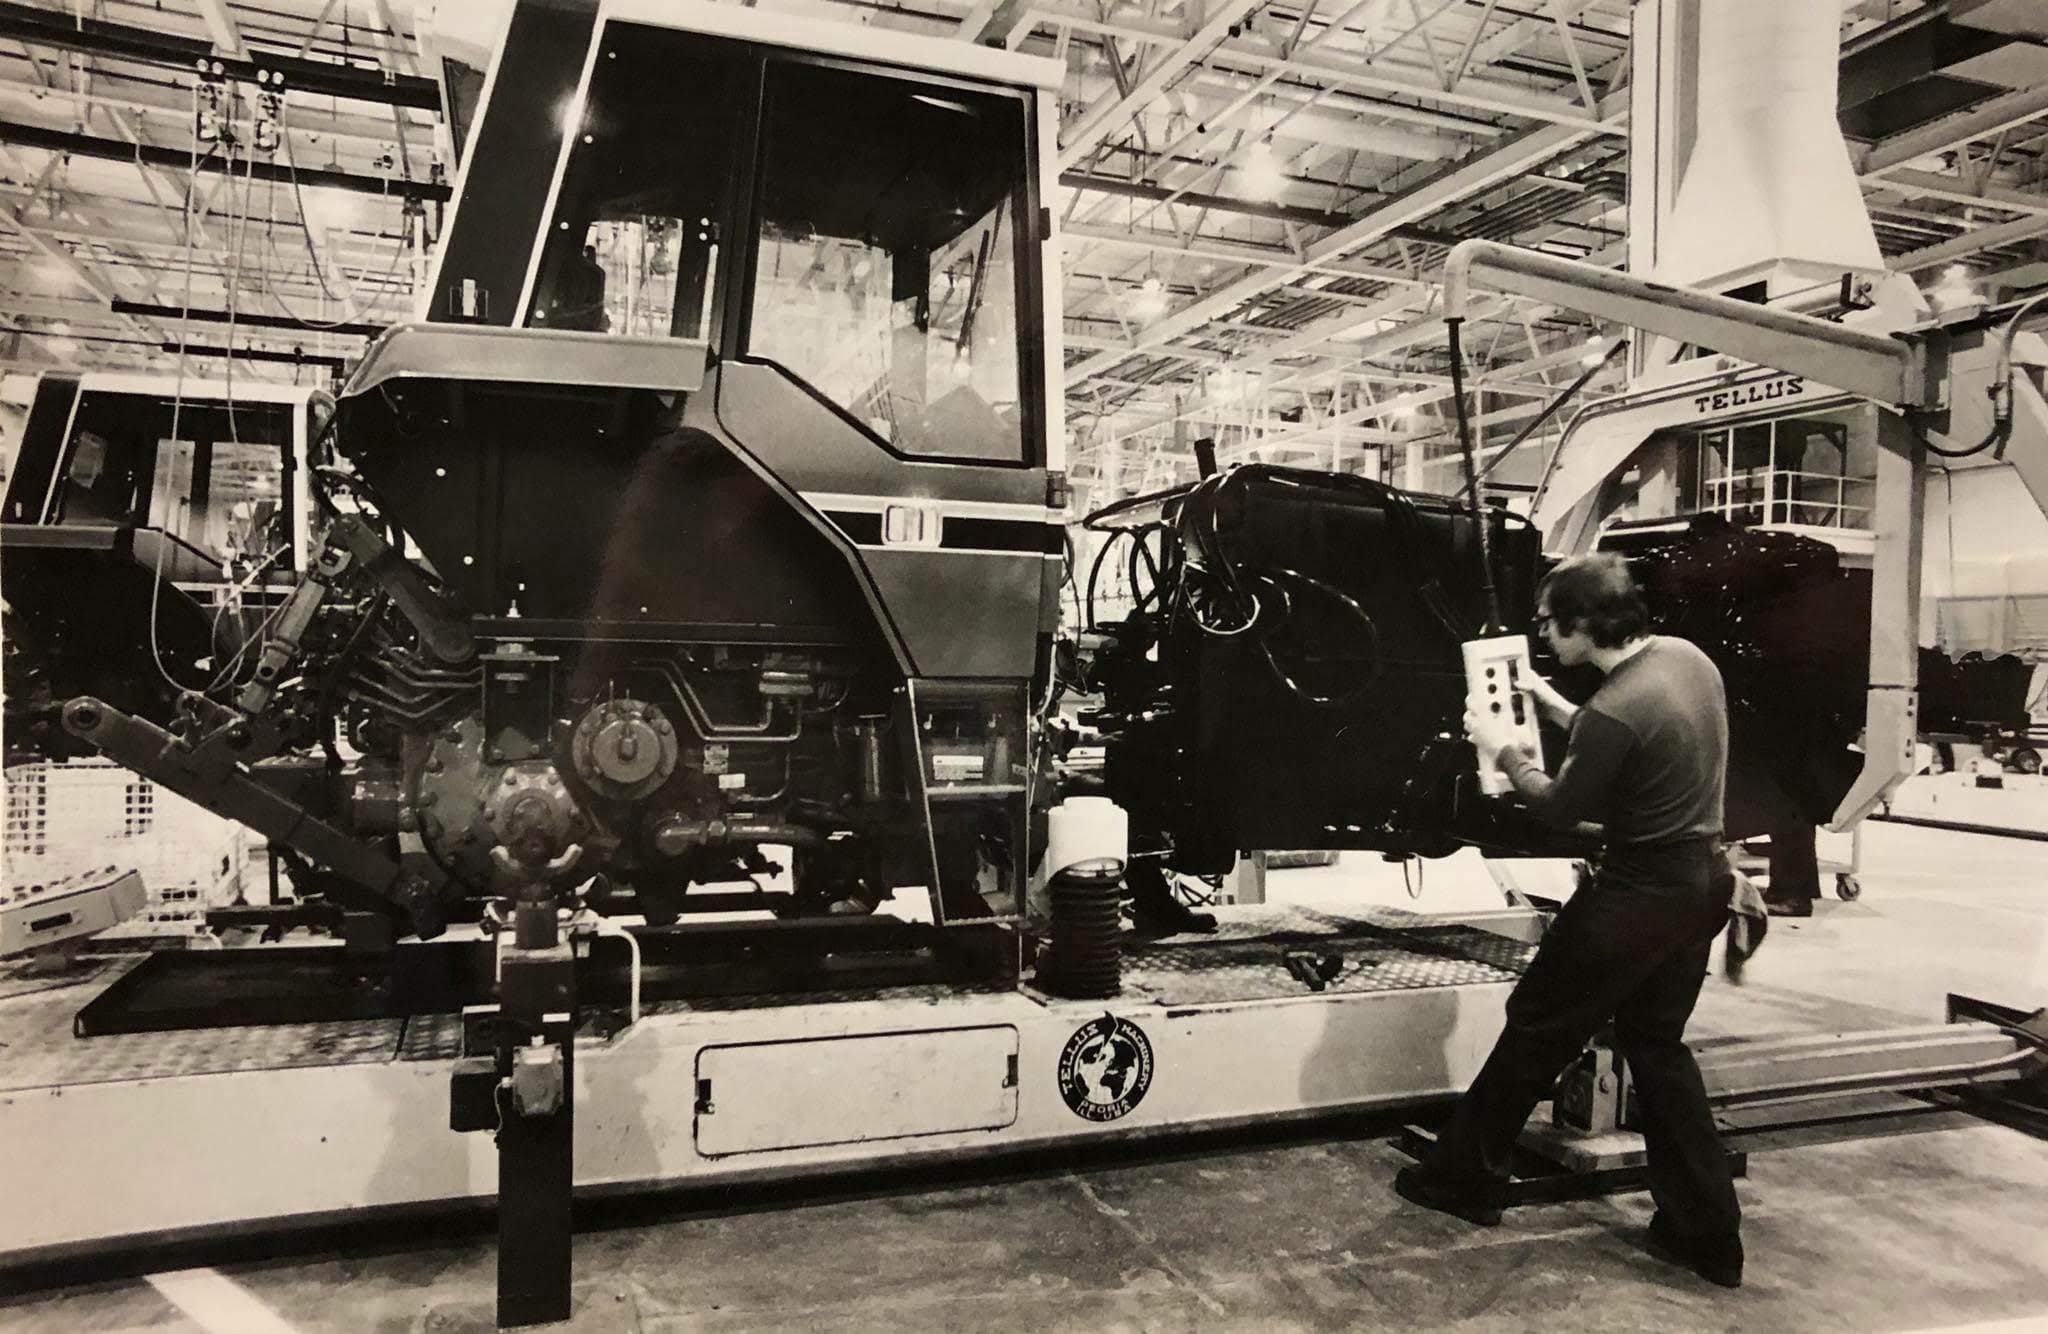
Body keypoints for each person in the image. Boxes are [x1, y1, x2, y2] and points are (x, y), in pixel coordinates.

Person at [1393, 552, 1744, 1289]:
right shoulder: (1685, 660)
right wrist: (1546, 699)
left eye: (1551, 624)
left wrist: (1502, 752)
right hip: (1704, 884)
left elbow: (1557, 805)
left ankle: (1463, 1179)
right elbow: (1624, 733)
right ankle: (1708, 1235)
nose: (1545, 636)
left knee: (1537, 1024)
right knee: (1657, 1046)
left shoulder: (1616, 709)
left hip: (1637, 895)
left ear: (1585, 623)